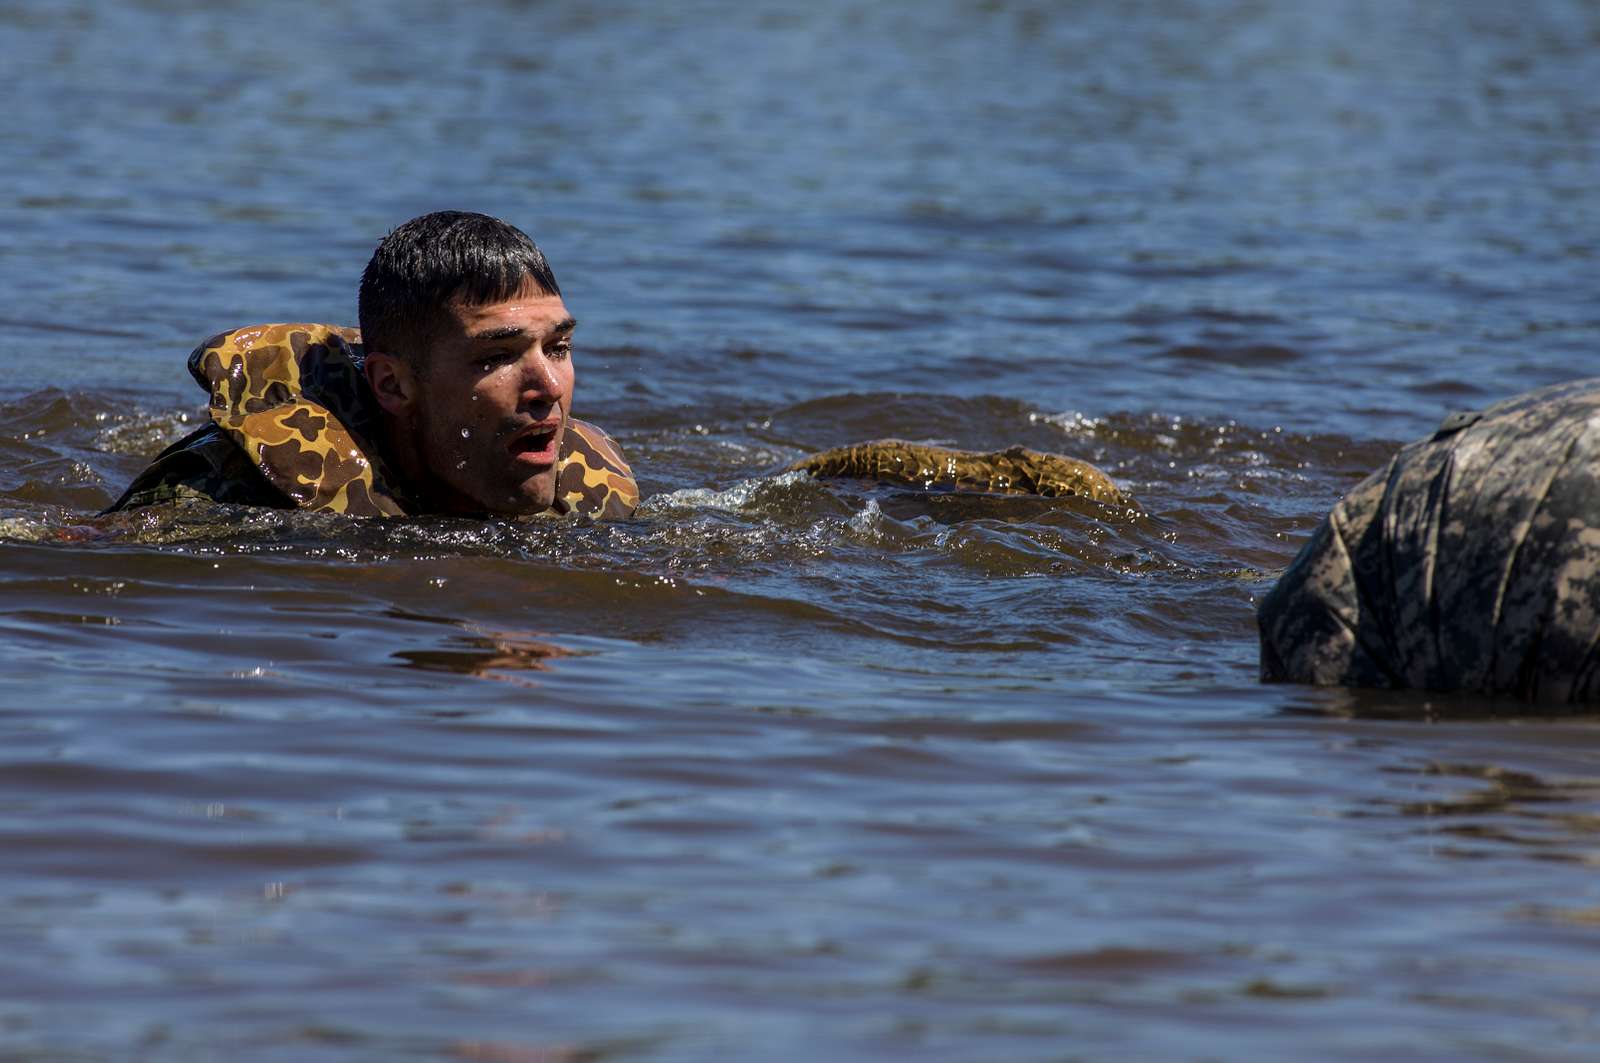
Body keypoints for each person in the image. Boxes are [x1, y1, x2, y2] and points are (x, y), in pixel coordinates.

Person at [106, 211, 638, 519]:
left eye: (558, 348)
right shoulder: (227, 490)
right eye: (497, 356)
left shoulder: (594, 489)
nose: (547, 386)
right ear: (393, 384)